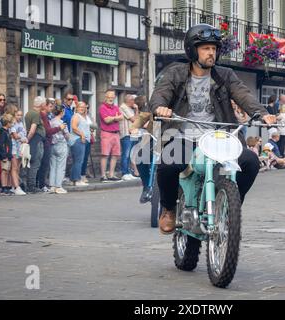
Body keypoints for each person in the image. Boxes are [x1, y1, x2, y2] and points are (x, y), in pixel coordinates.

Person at [149, 23, 274, 234]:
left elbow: (243, 94)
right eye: (206, 48)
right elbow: (160, 93)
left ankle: (229, 206)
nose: (211, 53)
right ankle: (169, 209)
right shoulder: (176, 73)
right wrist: (160, 107)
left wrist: (262, 113)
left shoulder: (225, 75)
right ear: (192, 50)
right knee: (169, 164)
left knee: (250, 161)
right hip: (184, 136)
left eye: (214, 49)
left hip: (218, 138)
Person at [38, 98, 64, 193]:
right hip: (46, 142)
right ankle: (41, 185)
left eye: (53, 106)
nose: (52, 108)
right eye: (50, 106)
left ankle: (45, 184)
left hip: (50, 142)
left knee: (48, 165)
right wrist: (59, 128)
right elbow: (48, 131)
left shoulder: (49, 115)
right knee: (44, 164)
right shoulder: (43, 115)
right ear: (44, 105)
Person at [99, 89, 123, 182]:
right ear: (106, 97)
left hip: (116, 133)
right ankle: (103, 175)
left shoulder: (116, 107)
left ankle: (111, 174)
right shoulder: (102, 107)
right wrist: (116, 118)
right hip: (106, 133)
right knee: (105, 154)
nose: (111, 98)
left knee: (115, 155)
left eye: (113, 96)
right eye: (109, 96)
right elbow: (106, 120)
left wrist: (112, 118)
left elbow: (121, 117)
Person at [25, 96, 46, 193]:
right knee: (35, 164)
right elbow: (33, 130)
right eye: (44, 104)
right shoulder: (36, 114)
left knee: (32, 163)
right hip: (36, 140)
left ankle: (30, 185)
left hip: (34, 140)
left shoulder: (29, 113)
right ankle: (31, 186)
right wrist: (27, 139)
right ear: (41, 105)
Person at [49, 104, 70, 194]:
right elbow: (67, 136)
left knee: (53, 166)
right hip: (61, 144)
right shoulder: (62, 123)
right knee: (61, 166)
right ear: (62, 112)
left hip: (52, 145)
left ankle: (52, 186)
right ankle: (58, 186)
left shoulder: (50, 122)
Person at [69, 101, 91, 186]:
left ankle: (72, 179)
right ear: (77, 108)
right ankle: (77, 180)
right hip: (77, 140)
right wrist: (82, 134)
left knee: (77, 161)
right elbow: (74, 127)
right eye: (80, 107)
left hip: (81, 140)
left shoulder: (84, 116)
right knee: (79, 161)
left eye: (84, 107)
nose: (82, 108)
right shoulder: (76, 116)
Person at [119, 94, 139, 181]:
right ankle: (124, 173)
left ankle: (129, 172)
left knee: (131, 154)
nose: (135, 103)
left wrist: (136, 110)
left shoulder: (131, 109)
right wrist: (137, 109)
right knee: (126, 154)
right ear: (130, 100)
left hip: (133, 133)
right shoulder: (123, 107)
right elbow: (134, 120)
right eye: (134, 101)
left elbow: (138, 120)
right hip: (126, 133)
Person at [9, 107, 28, 195]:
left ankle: (13, 186)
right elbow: (15, 136)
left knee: (18, 168)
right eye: (17, 115)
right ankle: (17, 187)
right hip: (14, 147)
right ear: (14, 115)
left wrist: (24, 139)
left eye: (21, 115)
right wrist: (23, 138)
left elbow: (24, 134)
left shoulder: (21, 123)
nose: (19, 117)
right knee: (14, 167)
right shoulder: (12, 124)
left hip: (21, 147)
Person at [0, 114, 14, 195]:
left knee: (7, 171)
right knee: (4, 171)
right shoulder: (3, 132)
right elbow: (1, 144)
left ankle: (6, 186)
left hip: (8, 155)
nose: (12, 124)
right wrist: (4, 156)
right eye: (11, 123)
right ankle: (3, 187)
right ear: (7, 123)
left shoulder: (7, 132)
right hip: (5, 155)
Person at [80, 104, 97, 183]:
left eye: (87, 108)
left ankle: (83, 175)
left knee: (85, 158)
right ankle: (79, 175)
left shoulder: (88, 116)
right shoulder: (78, 116)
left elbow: (95, 126)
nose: (86, 109)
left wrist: (90, 126)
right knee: (80, 158)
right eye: (84, 108)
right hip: (80, 139)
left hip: (88, 139)